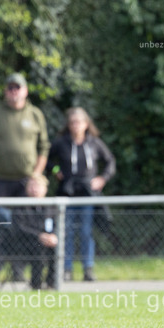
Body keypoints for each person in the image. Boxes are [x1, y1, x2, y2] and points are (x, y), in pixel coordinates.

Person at [0, 72, 49, 280]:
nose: (13, 91)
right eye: (10, 87)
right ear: (5, 91)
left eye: (17, 87)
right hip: (0, 180)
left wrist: (36, 174)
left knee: (23, 228)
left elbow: (44, 148)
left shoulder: (35, 114)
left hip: (26, 182)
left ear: (25, 91)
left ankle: (19, 271)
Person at [46, 107, 116, 282]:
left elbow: (110, 161)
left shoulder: (94, 143)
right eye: (72, 123)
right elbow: (46, 159)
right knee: (66, 230)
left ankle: (88, 268)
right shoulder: (61, 143)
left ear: (86, 124)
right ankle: (66, 269)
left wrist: (102, 179)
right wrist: (56, 170)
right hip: (67, 191)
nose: (75, 126)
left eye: (79, 122)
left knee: (86, 231)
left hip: (87, 192)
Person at [9, 174, 58, 290]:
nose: (34, 189)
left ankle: (52, 284)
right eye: (31, 185)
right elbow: (20, 227)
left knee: (56, 247)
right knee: (39, 247)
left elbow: (57, 225)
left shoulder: (52, 207)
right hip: (24, 244)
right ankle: (36, 285)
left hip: (47, 243)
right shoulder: (20, 206)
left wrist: (54, 236)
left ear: (45, 189)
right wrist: (39, 236)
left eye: (38, 186)